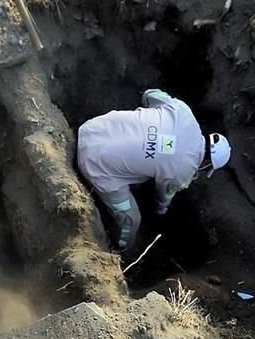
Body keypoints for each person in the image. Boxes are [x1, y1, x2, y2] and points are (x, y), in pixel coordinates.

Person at [76, 89, 231, 251]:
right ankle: (123, 250)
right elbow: (163, 197)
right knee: (132, 220)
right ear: (207, 164)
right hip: (94, 164)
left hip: (93, 128)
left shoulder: (182, 110)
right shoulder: (184, 173)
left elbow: (150, 94)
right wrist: (160, 211)